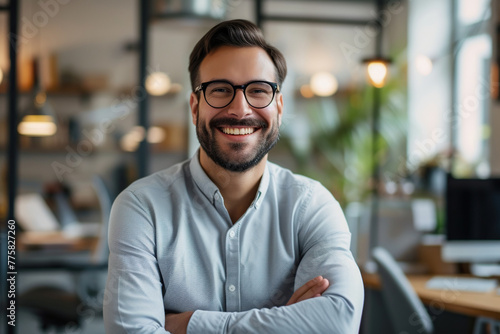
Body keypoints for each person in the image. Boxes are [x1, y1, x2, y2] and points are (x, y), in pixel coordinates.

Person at [104, 19, 364, 334]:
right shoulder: (141, 207)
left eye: (258, 90)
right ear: (194, 106)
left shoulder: (312, 206)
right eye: (220, 90)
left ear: (279, 107)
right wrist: (284, 321)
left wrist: (190, 325)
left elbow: (337, 322)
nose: (240, 109)